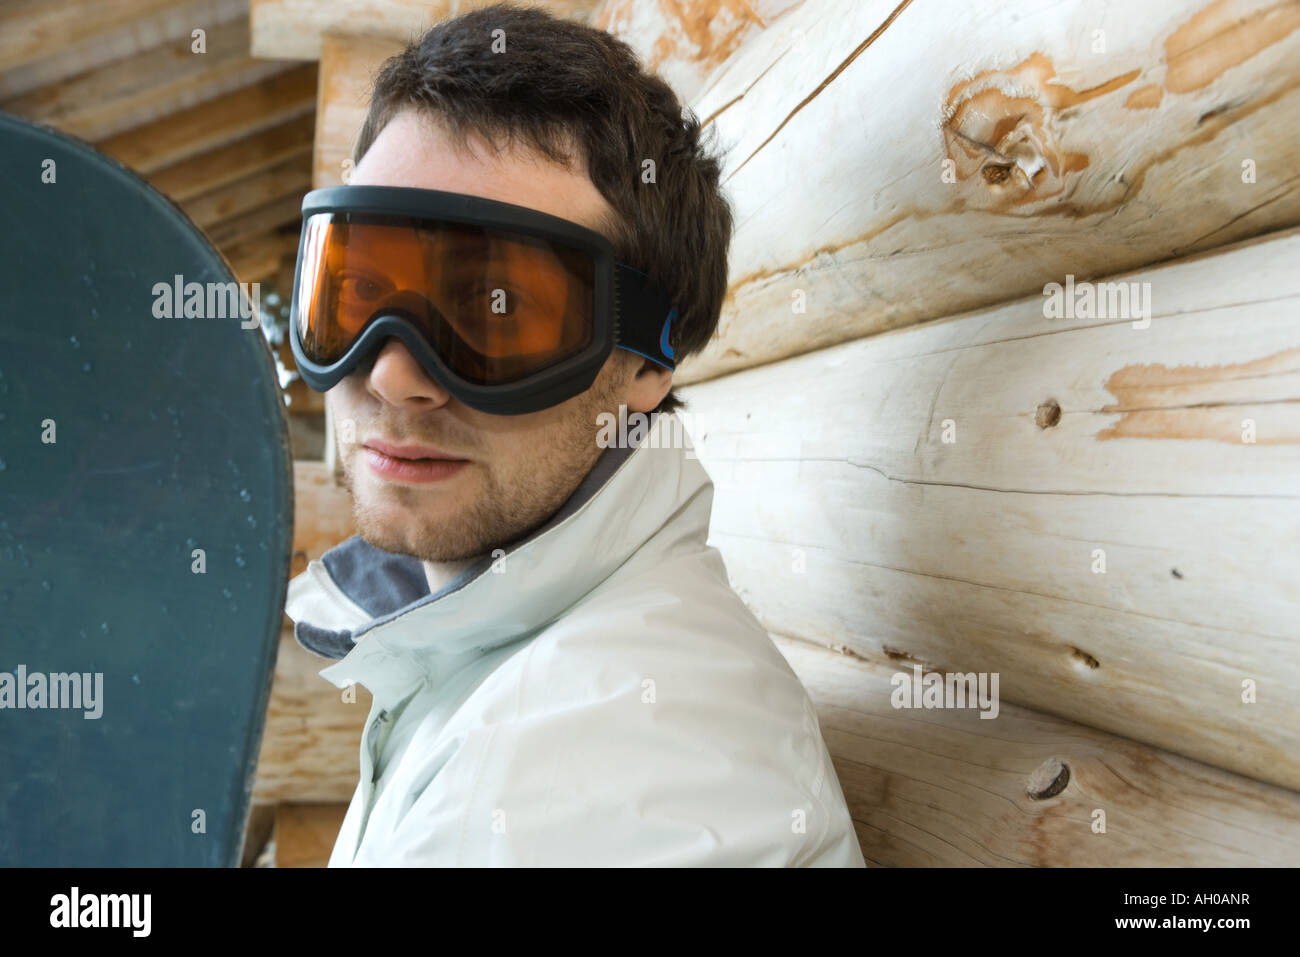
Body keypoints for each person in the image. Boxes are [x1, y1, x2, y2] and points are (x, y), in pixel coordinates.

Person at [284, 1, 864, 867]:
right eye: (360, 292)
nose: (393, 375)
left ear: (645, 363)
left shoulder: (606, 766)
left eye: (497, 307)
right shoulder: (503, 641)